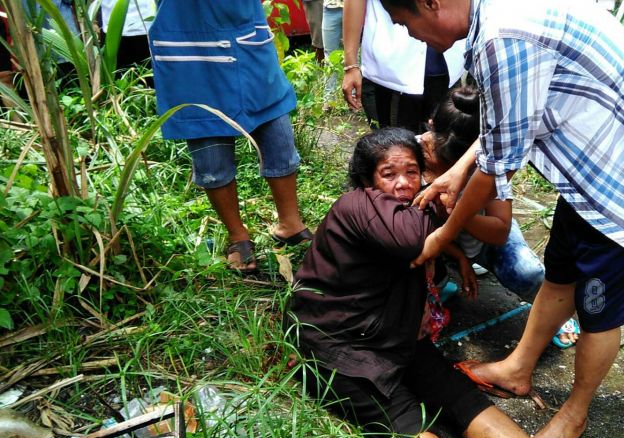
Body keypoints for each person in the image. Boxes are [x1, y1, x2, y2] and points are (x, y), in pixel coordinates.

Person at [377, 0, 624, 438]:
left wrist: (444, 233)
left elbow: (501, 164)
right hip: (592, 167)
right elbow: (509, 113)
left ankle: (573, 417)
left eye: (406, 23)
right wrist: (456, 171)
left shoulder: (503, 37)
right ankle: (518, 367)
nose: (410, 36)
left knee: (599, 307)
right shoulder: (497, 19)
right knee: (561, 270)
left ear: (430, 4)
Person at [289, 127, 542, 438]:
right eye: (389, 173)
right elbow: (412, 241)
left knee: (464, 400)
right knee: (420, 436)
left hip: (398, 338)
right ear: (367, 180)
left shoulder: (405, 210)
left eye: (412, 172)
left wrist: (457, 253)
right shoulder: (357, 205)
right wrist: (437, 190)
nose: (404, 183)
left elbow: (477, 230)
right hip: (340, 349)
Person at [148, 0, 311, 274]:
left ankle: (290, 225)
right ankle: (238, 237)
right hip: (194, 56)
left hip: (248, 45)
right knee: (212, 160)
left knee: (279, 142)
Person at [420, 85, 579, 350]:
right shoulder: (409, 156)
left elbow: (499, 230)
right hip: (435, 241)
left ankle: (554, 314)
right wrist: (458, 256)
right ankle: (438, 284)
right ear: (430, 125)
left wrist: (456, 212)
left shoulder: (493, 159)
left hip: (480, 240)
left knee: (526, 272)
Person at [341, 0, 464, 133]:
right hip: (393, 67)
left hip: (450, 63)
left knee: (445, 141)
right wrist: (351, 65)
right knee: (395, 145)